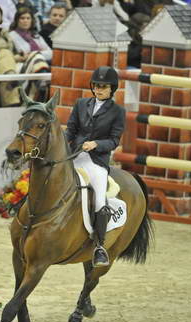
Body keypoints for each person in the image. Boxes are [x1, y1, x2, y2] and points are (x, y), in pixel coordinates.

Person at [65, 66, 125, 267]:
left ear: (111, 89)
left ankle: (99, 247)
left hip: (96, 162)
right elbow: (71, 130)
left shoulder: (117, 112)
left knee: (99, 197)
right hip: (74, 156)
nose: (99, 89)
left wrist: (97, 144)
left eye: (104, 87)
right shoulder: (81, 104)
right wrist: (63, 147)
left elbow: (114, 140)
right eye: (96, 86)